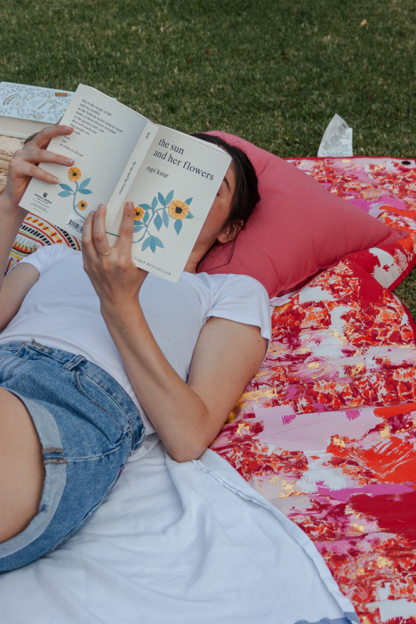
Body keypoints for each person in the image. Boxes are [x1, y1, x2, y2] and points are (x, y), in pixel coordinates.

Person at [0, 125, 271, 572]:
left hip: (74, 402)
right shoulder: (60, 255)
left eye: (208, 183)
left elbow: (189, 434)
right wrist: (12, 205)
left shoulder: (228, 291)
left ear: (229, 230)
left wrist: (120, 304)